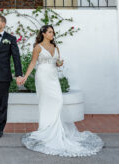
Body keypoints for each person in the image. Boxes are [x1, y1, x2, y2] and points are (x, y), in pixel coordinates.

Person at [21, 25, 104, 157]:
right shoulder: (38, 47)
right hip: (42, 77)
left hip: (53, 78)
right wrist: (25, 77)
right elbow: (32, 63)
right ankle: (46, 130)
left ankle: (54, 129)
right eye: (49, 32)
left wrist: (59, 64)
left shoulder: (55, 47)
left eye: (53, 32)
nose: (52, 34)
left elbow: (56, 62)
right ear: (43, 33)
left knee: (58, 101)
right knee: (45, 103)